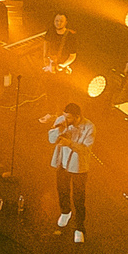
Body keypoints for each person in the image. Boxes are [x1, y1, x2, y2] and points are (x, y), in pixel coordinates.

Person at [48, 101, 94, 242]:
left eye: (68, 118)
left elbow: (86, 150)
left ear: (77, 116)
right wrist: (58, 129)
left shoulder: (89, 127)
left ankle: (79, 227)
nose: (66, 119)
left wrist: (70, 144)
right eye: (64, 116)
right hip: (62, 164)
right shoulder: (61, 121)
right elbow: (51, 140)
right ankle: (65, 212)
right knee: (62, 190)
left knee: (79, 198)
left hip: (78, 168)